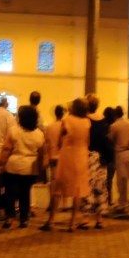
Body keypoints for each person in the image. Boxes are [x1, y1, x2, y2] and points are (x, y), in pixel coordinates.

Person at [41, 98, 90, 232]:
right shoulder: (87, 122)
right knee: (78, 190)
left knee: (59, 187)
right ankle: (72, 223)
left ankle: (51, 220)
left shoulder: (67, 120)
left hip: (68, 155)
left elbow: (59, 140)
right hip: (81, 155)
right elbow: (87, 141)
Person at [0, 105, 45, 228]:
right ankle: (24, 219)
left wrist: (1, 164)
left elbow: (6, 149)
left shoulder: (14, 131)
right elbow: (41, 154)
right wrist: (40, 168)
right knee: (25, 193)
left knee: (10, 193)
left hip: (13, 166)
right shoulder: (39, 134)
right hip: (30, 168)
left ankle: (10, 217)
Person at [82, 94, 110, 229]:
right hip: (102, 157)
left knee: (87, 187)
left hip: (88, 156)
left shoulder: (85, 120)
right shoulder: (104, 121)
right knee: (100, 187)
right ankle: (99, 219)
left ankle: (85, 219)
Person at [109, 105, 129, 213]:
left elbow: (111, 139)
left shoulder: (114, 126)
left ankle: (123, 203)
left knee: (121, 180)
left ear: (115, 114)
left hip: (120, 153)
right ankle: (127, 201)